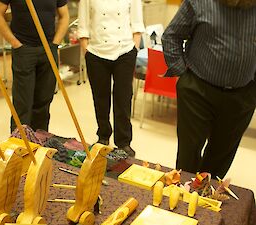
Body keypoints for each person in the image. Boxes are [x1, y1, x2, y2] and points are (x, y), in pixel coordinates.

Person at [161, 0, 256, 178]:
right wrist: (182, 73)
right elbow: (171, 36)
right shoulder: (199, 2)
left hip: (242, 96)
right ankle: (183, 198)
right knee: (188, 157)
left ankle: (206, 200)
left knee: (221, 158)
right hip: (197, 91)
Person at [78, 0, 145, 157]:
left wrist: (134, 48)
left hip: (125, 51)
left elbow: (137, 23)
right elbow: (83, 25)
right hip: (96, 52)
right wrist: (86, 49)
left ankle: (123, 142)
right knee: (100, 97)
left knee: (123, 98)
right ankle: (103, 136)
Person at [0, 0, 69, 132]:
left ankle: (41, 142)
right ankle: (21, 144)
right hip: (24, 50)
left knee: (44, 101)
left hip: (48, 49)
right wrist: (15, 43)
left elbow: (65, 15)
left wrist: (55, 43)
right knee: (23, 103)